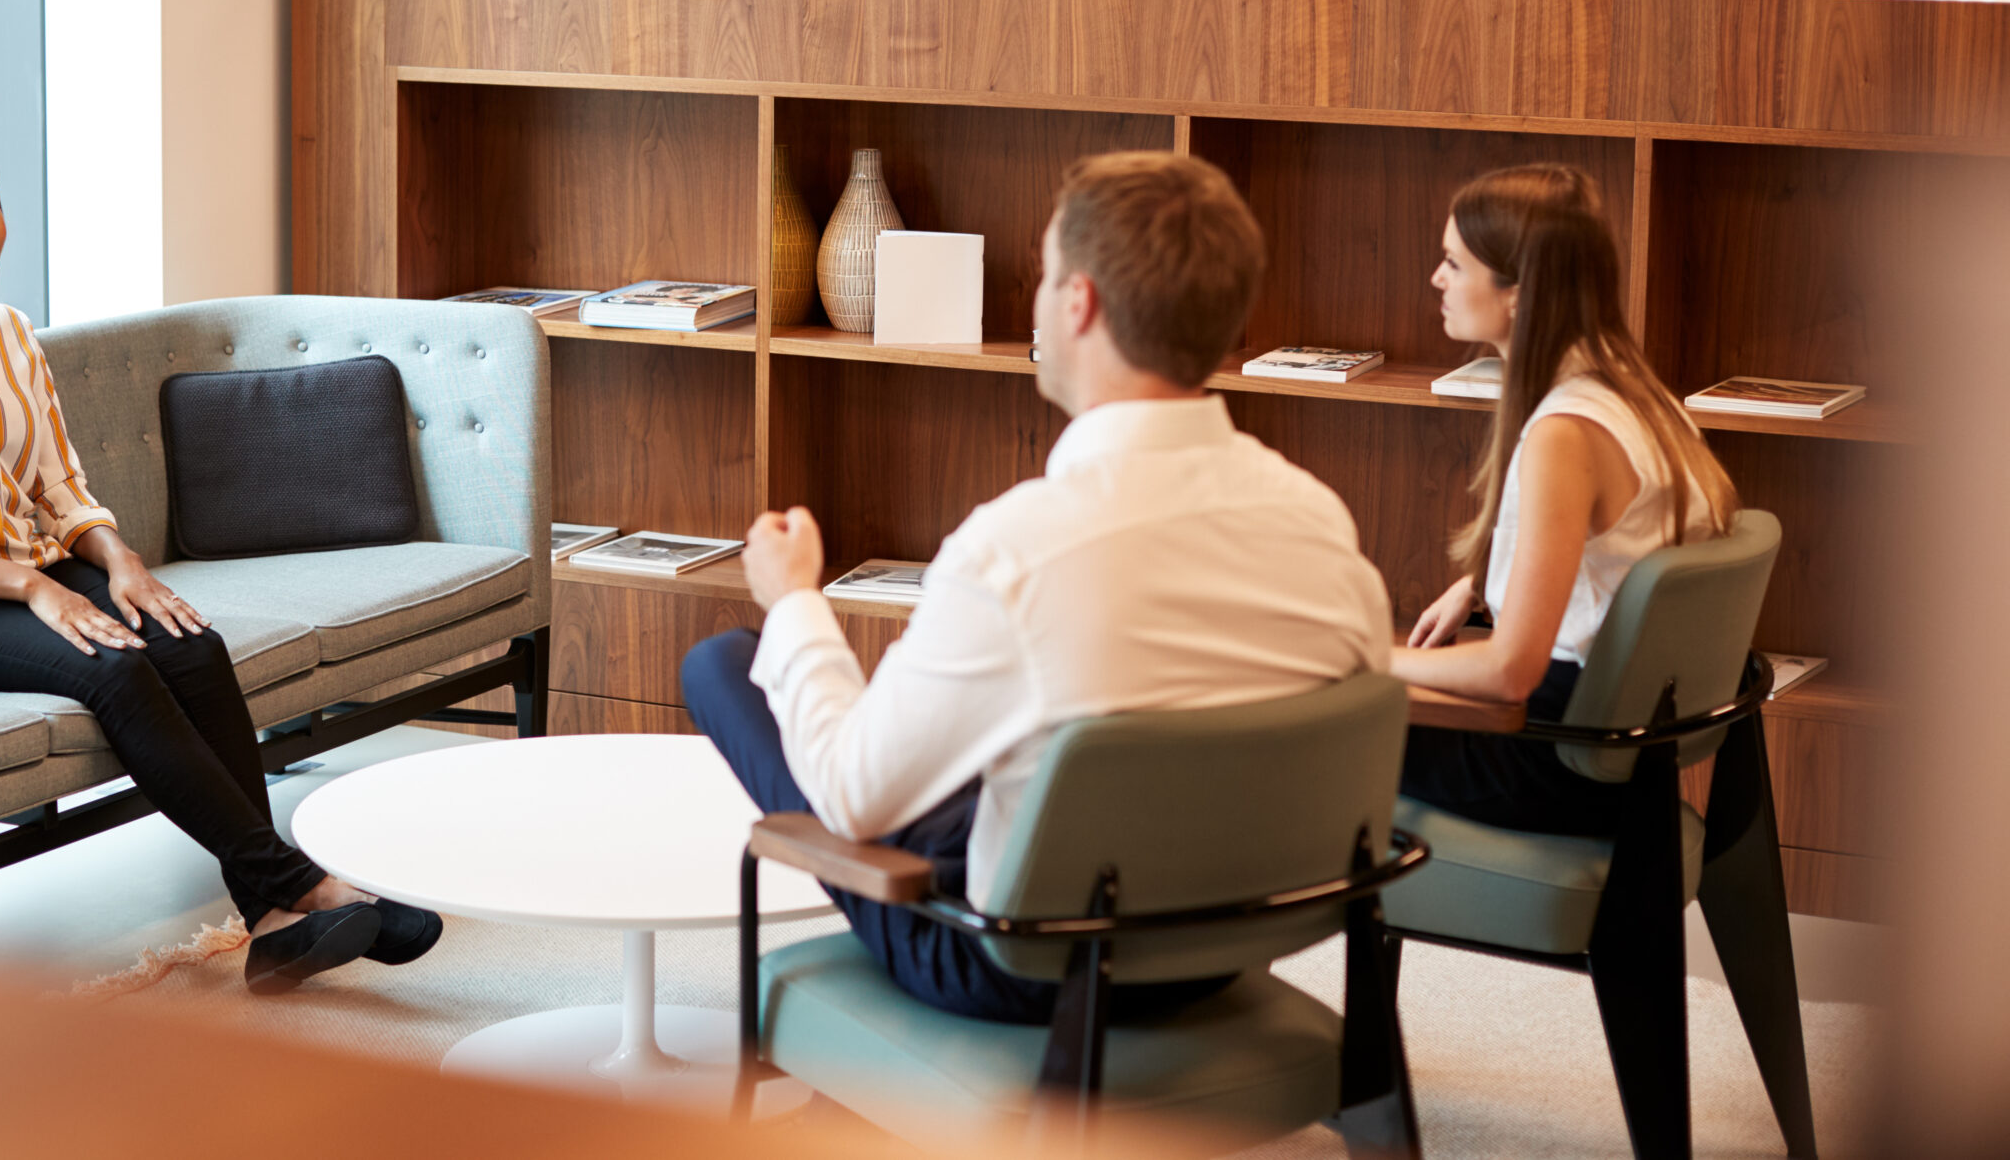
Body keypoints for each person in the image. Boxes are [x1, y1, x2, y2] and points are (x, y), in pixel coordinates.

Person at [680, 152, 1392, 1023]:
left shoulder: (1017, 551)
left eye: (1045, 274)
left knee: (724, 665)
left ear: (1079, 302)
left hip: (1028, 961)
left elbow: (851, 794)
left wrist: (795, 598)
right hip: (1235, 937)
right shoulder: (1319, 518)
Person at [0, 120, 440, 992]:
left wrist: (119, 561)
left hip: (17, 574)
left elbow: (58, 482)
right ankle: (298, 886)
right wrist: (35, 588)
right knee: (115, 668)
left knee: (191, 644)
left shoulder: (13, 333)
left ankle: (273, 918)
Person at [1390, 163, 1738, 835]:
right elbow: (1610, 549)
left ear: (1518, 291)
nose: (1437, 278)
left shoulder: (1564, 431)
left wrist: (1362, 657)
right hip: (1617, 740)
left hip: (1550, 757)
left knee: (1297, 729)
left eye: (1453, 264)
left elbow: (1508, 670)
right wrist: (1479, 582)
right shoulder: (1631, 390)